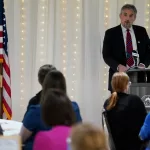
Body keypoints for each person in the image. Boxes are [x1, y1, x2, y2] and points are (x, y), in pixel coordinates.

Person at [20, 70, 82, 150]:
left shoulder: (36, 111)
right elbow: (80, 134)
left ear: (45, 87)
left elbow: (21, 139)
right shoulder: (74, 108)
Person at [102, 4, 150, 92]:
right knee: (119, 104)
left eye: (131, 15)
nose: (127, 18)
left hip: (139, 76)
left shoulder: (141, 31)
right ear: (120, 16)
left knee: (137, 104)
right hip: (118, 76)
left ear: (134, 17)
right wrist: (118, 66)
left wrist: (143, 64)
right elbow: (106, 55)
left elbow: (149, 51)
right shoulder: (111, 33)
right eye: (125, 15)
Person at [103, 72, 147, 150]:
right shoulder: (134, 100)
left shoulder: (108, 102)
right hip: (135, 145)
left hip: (116, 145)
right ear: (126, 85)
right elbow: (145, 123)